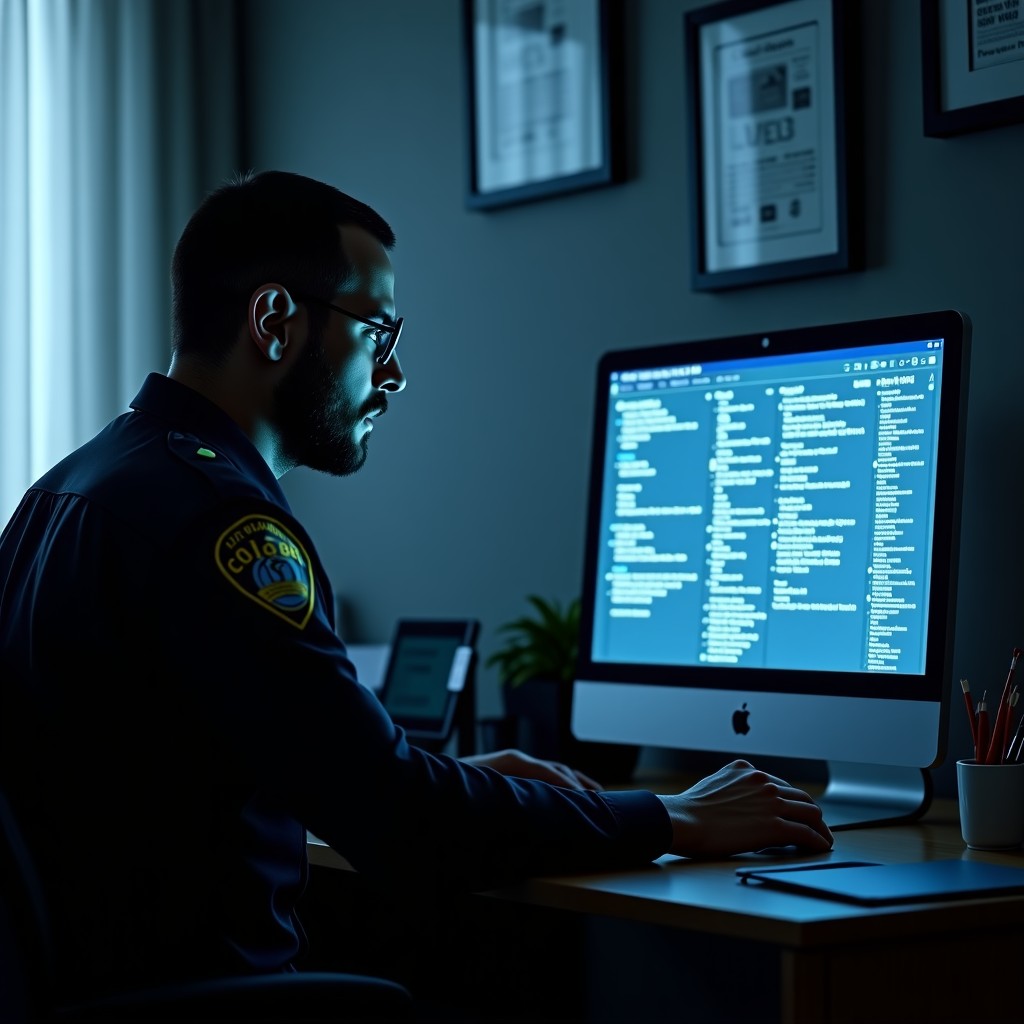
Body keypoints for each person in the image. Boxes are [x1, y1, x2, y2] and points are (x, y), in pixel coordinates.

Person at [0, 169, 833, 1005]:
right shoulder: (226, 524)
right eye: (379, 333)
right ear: (275, 321)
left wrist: (455, 776)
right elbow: (402, 824)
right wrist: (673, 818)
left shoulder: (72, 487)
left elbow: (217, 768)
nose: (394, 376)